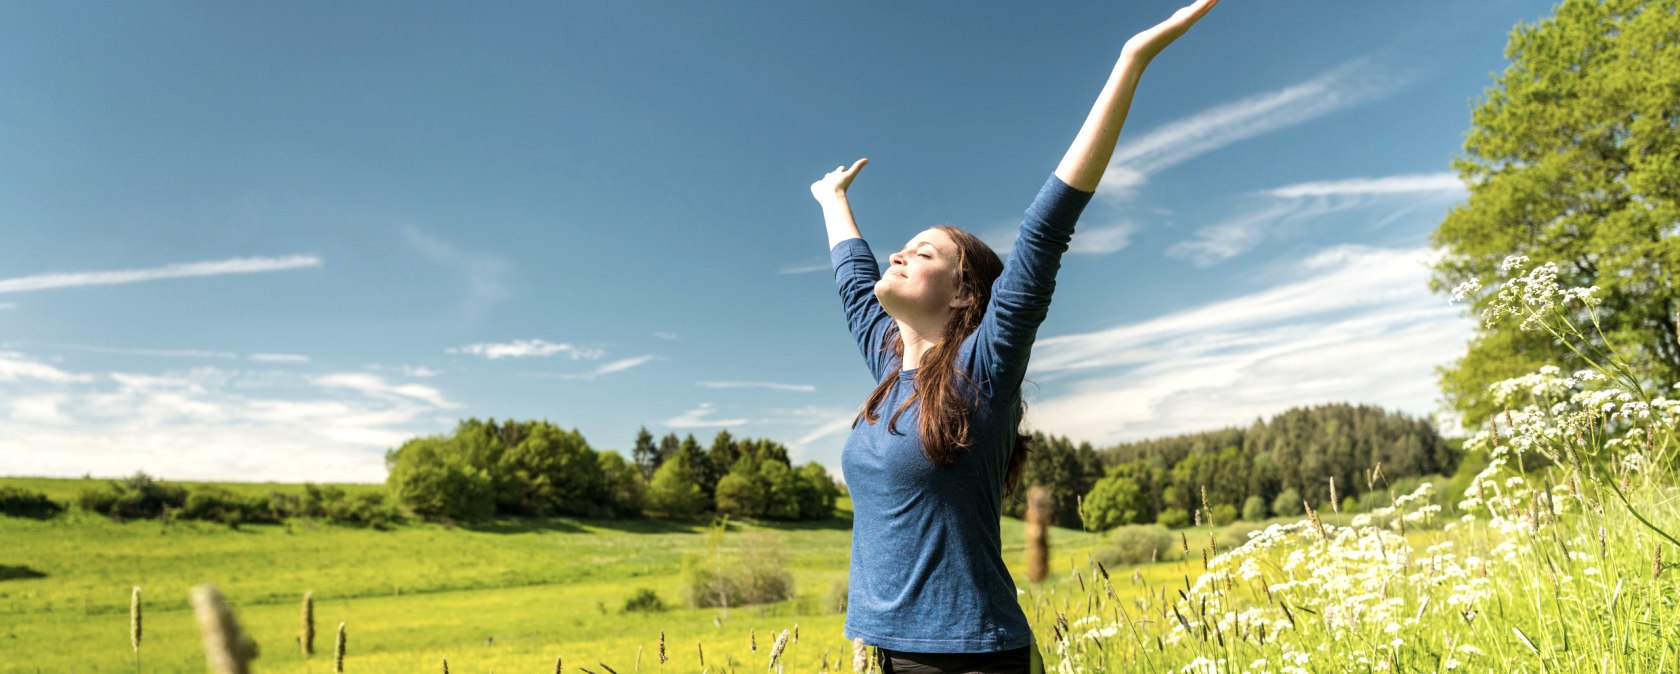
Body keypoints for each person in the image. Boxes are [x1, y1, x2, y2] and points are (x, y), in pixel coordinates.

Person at [808, 2, 1220, 672]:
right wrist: (831, 200)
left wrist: (1130, 61)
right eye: (900, 249)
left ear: (966, 293)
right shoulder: (888, 365)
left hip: (973, 657)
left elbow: (1046, 228)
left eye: (925, 252)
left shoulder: (981, 370)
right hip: (884, 654)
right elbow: (855, 283)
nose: (900, 256)